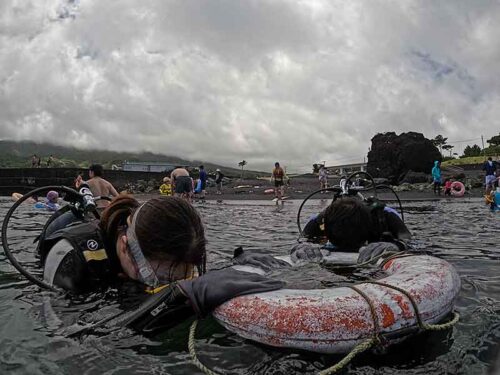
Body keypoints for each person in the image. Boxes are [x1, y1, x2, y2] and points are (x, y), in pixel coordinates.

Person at [38, 195, 283, 331]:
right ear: (125, 247)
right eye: (159, 281)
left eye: (186, 274)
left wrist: (238, 262)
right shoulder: (71, 256)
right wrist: (172, 300)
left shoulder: (164, 252)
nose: (169, 285)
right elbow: (61, 334)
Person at [302, 197, 411, 251]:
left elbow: (407, 238)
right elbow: (303, 238)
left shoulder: (385, 215)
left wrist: (395, 245)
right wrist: (303, 246)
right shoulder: (321, 219)